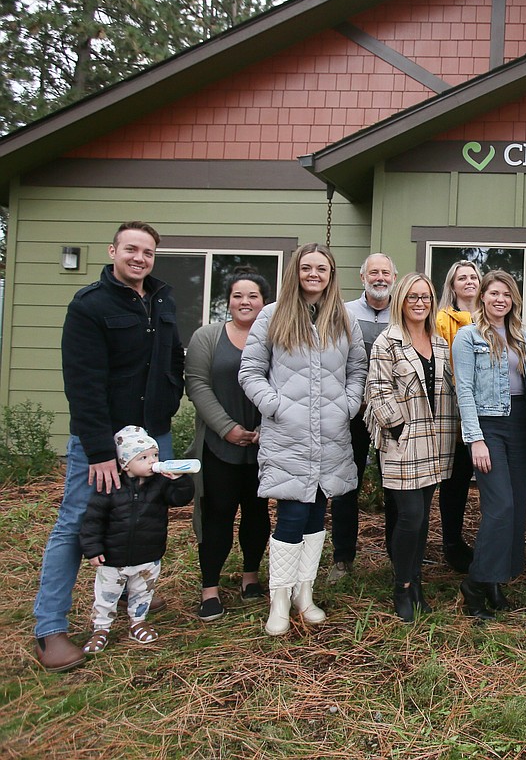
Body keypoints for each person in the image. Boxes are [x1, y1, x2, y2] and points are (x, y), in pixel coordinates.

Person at [33, 221, 185, 673]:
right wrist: (100, 451)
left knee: (145, 514)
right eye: (131, 249)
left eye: (148, 252)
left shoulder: (162, 301)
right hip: (103, 439)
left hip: (153, 433)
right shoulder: (90, 305)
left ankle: (126, 603)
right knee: (77, 520)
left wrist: (169, 403)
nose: (139, 258)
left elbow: (172, 356)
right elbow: (81, 382)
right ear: (113, 251)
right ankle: (50, 628)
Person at [239, 243, 366, 637]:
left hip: (330, 436)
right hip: (288, 436)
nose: (314, 274)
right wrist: (276, 406)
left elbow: (358, 367)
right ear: (296, 271)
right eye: (307, 267)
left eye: (322, 269)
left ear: (331, 275)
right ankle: (279, 598)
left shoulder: (343, 318)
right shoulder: (272, 315)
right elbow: (251, 371)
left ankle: (304, 594)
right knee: (292, 514)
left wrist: (347, 404)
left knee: (316, 515)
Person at [365, 273, 457, 622]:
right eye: (412, 297)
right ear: (401, 301)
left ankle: (416, 582)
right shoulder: (387, 342)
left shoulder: (441, 342)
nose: (420, 303)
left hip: (436, 442)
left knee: (423, 519)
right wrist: (398, 425)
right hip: (403, 442)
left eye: (425, 297)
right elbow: (377, 390)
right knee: (410, 516)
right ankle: (401, 585)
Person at [451, 270, 526, 620]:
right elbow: (465, 390)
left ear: (513, 300)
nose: (500, 299)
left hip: (519, 425)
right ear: (483, 298)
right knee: (500, 506)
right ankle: (475, 582)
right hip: (488, 425)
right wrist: (475, 438)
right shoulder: (467, 336)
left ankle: (494, 580)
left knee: (518, 506)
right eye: (493, 293)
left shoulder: (524, 338)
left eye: (506, 293)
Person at [185, 266, 270, 622]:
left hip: (264, 445)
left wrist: (269, 427)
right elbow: (197, 385)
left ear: (264, 302)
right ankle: (210, 589)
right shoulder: (207, 337)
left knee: (257, 514)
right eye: (238, 295)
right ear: (228, 300)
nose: (245, 301)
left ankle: (251, 577)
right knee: (217, 515)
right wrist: (227, 428)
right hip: (219, 446)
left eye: (252, 295)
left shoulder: (273, 339)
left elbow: (287, 383)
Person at [78, 427, 194, 653]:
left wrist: (180, 480)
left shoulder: (160, 485)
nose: (152, 461)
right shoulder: (110, 487)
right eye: (143, 457)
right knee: (106, 595)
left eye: (155, 455)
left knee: (143, 592)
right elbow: (93, 520)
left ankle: (138, 623)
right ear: (125, 463)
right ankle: (101, 629)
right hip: (113, 557)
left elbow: (180, 499)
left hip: (148, 555)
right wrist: (92, 549)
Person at [330, 253, 398, 583]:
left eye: (386, 272)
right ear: (362, 277)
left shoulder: (402, 314)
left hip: (392, 415)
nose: (380, 278)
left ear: (394, 278)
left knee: (397, 486)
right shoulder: (343, 312)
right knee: (346, 486)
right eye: (374, 272)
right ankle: (342, 559)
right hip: (352, 414)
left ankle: (398, 556)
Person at [435, 259, 482, 573]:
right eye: (461, 277)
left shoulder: (492, 315)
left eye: (473, 277)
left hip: (488, 410)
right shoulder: (442, 320)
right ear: (452, 286)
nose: (469, 281)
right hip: (454, 411)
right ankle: (451, 541)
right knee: (455, 481)